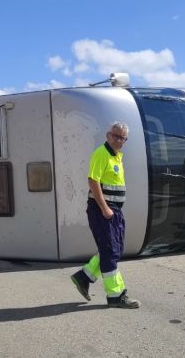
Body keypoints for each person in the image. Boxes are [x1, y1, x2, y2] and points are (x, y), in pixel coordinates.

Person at [70, 122, 140, 309]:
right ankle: (116, 295)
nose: (119, 140)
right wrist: (104, 208)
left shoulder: (117, 156)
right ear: (108, 135)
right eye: (115, 136)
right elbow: (93, 181)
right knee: (110, 251)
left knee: (113, 248)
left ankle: (84, 276)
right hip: (103, 210)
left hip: (114, 210)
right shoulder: (102, 153)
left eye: (122, 137)